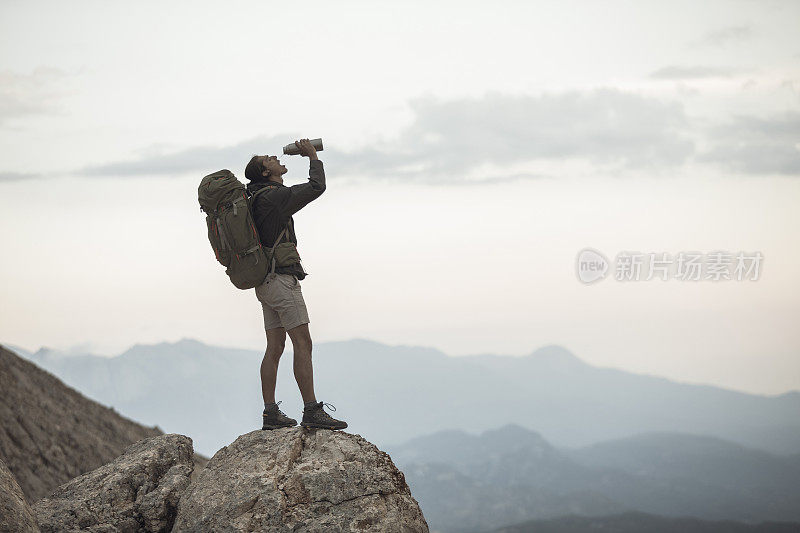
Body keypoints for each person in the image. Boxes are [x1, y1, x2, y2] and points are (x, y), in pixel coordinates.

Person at [245, 138, 347, 431]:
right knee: (303, 343)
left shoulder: (256, 197)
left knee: (275, 346)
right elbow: (316, 187)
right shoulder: (274, 197)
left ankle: (270, 413)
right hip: (282, 281)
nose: (276, 158)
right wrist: (313, 156)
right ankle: (312, 410)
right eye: (269, 159)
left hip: (265, 282)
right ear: (266, 173)